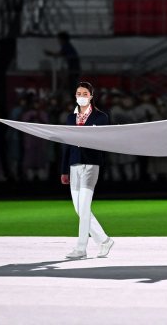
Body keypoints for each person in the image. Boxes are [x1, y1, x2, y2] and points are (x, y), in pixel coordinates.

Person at [60, 82, 114, 259]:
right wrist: (64, 170)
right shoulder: (70, 118)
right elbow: (66, 145)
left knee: (83, 207)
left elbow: (104, 141)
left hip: (91, 164)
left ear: (91, 96)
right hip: (74, 164)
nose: (81, 96)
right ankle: (104, 240)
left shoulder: (101, 117)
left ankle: (81, 249)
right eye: (78, 93)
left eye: (84, 93)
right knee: (79, 208)